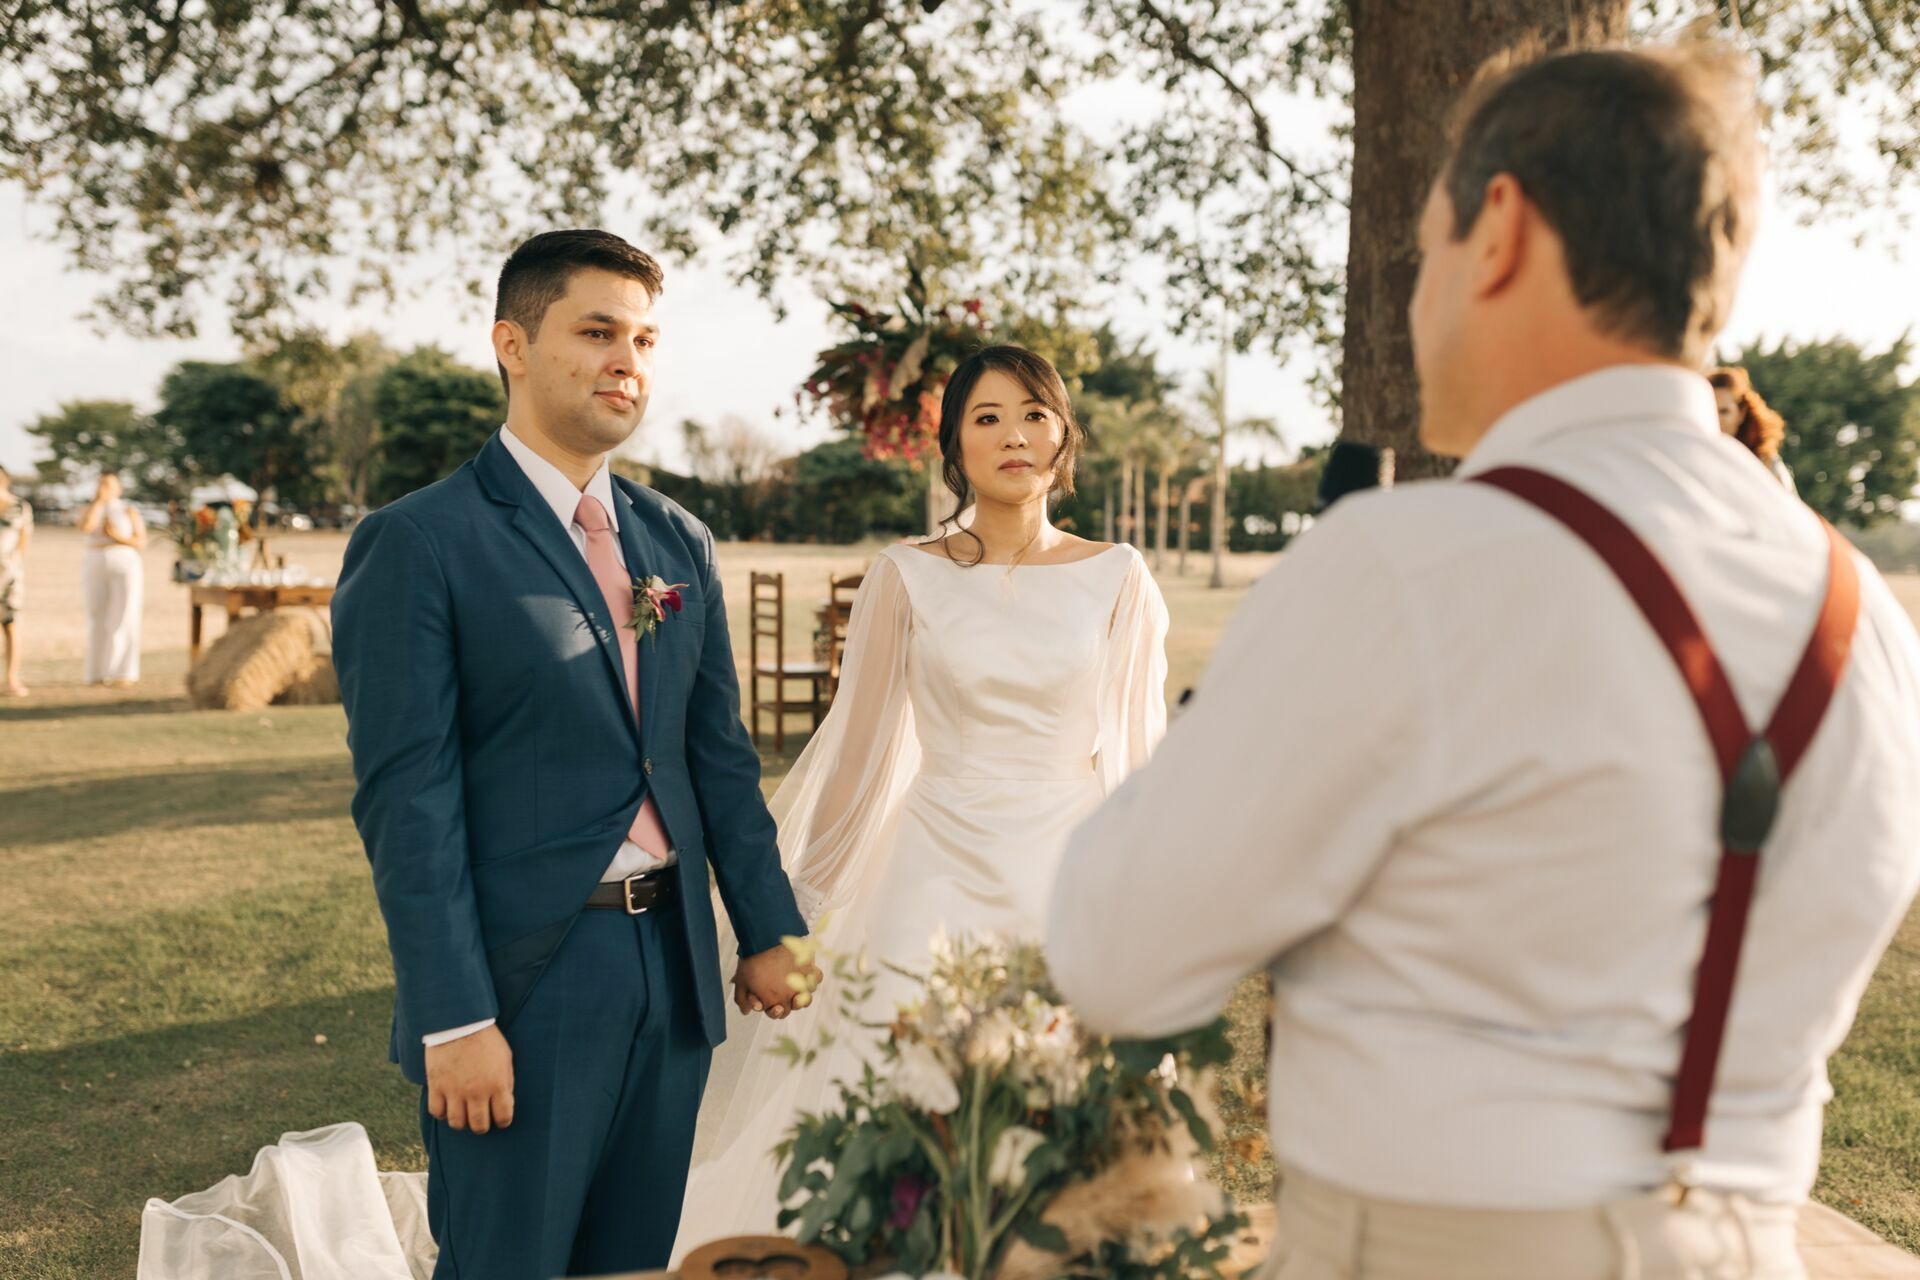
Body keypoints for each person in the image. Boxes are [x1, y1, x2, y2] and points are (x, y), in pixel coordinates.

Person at [1048, 40, 1920, 1280]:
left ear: (1498, 227)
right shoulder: (1867, 615)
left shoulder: (1411, 562)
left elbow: (1114, 952)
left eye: (1424, 249)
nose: (1416, 294)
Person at [174, 229, 817, 1280]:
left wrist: (767, 924)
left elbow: (718, 761)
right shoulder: (422, 541)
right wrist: (455, 1014)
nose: (629, 361)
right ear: (511, 344)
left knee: (635, 1264)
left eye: (646, 338)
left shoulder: (677, 542)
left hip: (676, 978)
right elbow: (408, 801)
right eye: (598, 331)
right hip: (528, 981)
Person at [672, 344, 1171, 1257]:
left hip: (1064, 877)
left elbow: (1139, 764)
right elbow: (857, 762)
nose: (1014, 434)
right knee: (896, 1100)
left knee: (1058, 1123)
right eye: (986, 417)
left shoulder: (1120, 576)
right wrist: (792, 920)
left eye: (1033, 412)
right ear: (954, 448)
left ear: (1064, 434)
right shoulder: (906, 574)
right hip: (931, 870)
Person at [79, 472, 144, 686]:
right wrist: (99, 502)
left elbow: (141, 541)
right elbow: (85, 527)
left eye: (108, 484)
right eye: (101, 483)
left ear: (119, 488)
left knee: (124, 615)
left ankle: (123, 672)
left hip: (124, 560)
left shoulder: (128, 510)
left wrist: (117, 537)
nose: (104, 486)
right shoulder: (91, 509)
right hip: (95, 559)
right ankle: (96, 673)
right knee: (96, 615)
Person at [1710, 365, 1796, 491]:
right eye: (1711, 410)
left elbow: (1790, 507)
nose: (1716, 419)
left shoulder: (1765, 463)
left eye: (1724, 411)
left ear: (1741, 413)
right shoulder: (1692, 455)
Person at [0, 464, 32, 696]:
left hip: (9, 574)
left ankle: (11, 678)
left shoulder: (20, 507)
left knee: (10, 625)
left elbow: (23, 541)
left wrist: (12, 565)